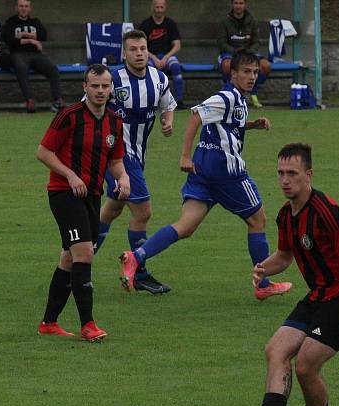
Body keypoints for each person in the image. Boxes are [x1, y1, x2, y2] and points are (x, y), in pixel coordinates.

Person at [225, 143, 339, 406]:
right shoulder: (286, 215)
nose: (285, 180)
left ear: (308, 175)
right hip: (318, 295)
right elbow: (286, 255)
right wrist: (264, 267)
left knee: (305, 365)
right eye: (280, 173)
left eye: (292, 173)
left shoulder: (326, 211)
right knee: (275, 349)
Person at [119, 50, 291, 300]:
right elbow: (195, 116)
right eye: (246, 72)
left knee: (185, 226)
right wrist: (184, 156)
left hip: (204, 172)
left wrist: (252, 125)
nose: (252, 77)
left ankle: (136, 257)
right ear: (233, 74)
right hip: (226, 172)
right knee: (257, 221)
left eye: (255, 72)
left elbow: (227, 123)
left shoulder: (238, 99)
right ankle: (263, 283)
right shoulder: (227, 96)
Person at [36, 64, 130, 341]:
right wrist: (70, 175)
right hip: (64, 193)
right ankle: (88, 325)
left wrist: (123, 178)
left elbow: (115, 161)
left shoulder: (114, 122)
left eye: (105, 86)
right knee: (84, 253)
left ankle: (49, 322)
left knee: (69, 256)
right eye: (95, 86)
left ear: (111, 87)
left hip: (92, 195)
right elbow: (43, 151)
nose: (101, 91)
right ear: (85, 88)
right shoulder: (69, 116)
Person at [94, 30, 176, 295]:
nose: (139, 54)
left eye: (142, 48)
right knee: (143, 211)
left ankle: (76, 259)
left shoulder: (158, 78)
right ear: (124, 53)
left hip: (138, 154)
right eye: (133, 49)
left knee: (113, 209)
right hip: (116, 154)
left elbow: (168, 104)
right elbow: (90, 106)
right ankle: (138, 271)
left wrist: (168, 121)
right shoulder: (113, 79)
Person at [1, 0, 63, 113]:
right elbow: (9, 39)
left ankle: (57, 101)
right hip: (18, 54)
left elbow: (43, 35)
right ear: (16, 8)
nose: (24, 8)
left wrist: (23, 35)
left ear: (30, 8)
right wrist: (32, 40)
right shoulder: (11, 22)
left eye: (26, 6)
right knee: (21, 67)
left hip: (36, 55)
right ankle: (30, 100)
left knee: (53, 68)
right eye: (21, 6)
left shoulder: (35, 21)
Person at [218, 0, 270, 108]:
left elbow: (256, 41)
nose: (238, 6)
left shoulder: (252, 20)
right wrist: (236, 51)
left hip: (248, 52)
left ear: (245, 4)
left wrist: (250, 51)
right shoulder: (224, 21)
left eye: (241, 3)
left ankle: (253, 92)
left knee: (265, 66)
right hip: (231, 53)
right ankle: (232, 93)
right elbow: (222, 43)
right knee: (227, 65)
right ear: (232, 4)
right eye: (236, 3)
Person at [138, 0, 187, 110]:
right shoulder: (145, 24)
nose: (159, 10)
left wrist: (166, 57)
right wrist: (154, 58)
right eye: (157, 7)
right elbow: (140, 46)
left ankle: (179, 100)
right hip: (150, 56)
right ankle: (150, 101)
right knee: (147, 69)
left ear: (165, 8)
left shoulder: (171, 24)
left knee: (176, 67)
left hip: (168, 56)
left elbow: (177, 45)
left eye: (161, 7)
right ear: (152, 8)